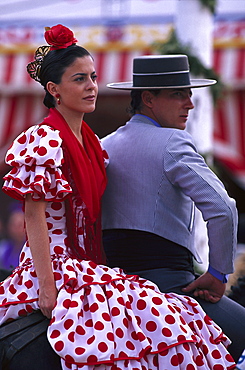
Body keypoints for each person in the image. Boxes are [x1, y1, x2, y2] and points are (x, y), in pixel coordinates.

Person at [0, 25, 236, 370]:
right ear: (54, 89)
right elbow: (35, 218)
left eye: (93, 77)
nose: (91, 86)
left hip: (93, 264)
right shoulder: (44, 139)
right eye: (79, 79)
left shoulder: (98, 143)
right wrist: (47, 289)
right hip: (56, 267)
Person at [101, 54, 245, 363]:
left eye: (190, 94)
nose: (190, 104)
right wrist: (218, 273)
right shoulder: (173, 142)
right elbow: (223, 209)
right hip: (169, 285)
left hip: (107, 291)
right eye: (178, 94)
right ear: (149, 98)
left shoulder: (104, 145)